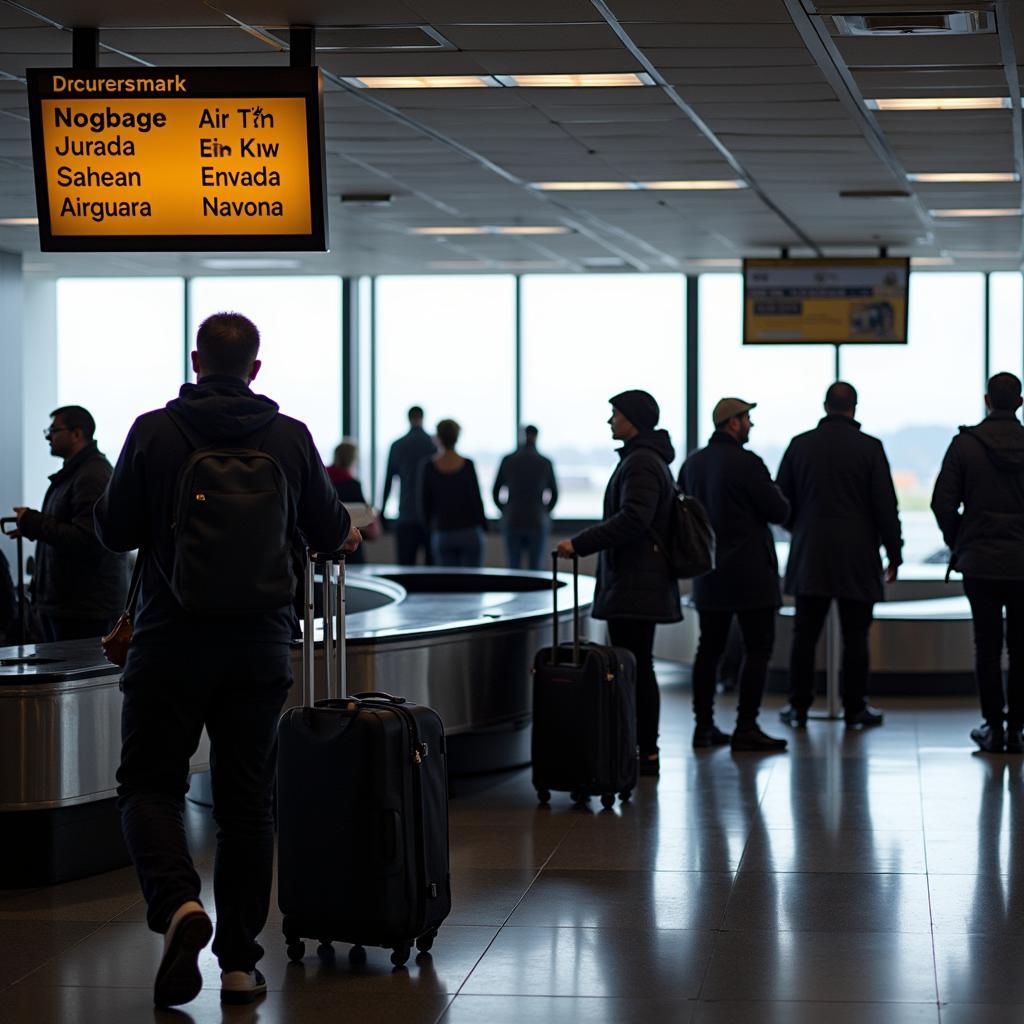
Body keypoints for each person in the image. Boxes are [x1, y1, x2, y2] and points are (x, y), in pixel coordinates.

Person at [94, 313, 360, 1009]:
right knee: (248, 804)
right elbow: (332, 531)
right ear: (256, 368)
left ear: (194, 360)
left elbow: (113, 529)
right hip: (259, 645)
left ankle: (180, 904)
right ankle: (240, 964)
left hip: (169, 640)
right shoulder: (290, 436)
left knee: (149, 785)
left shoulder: (153, 430)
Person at [556, 390, 681, 777]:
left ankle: (642, 750)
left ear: (633, 420)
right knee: (638, 665)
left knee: (634, 666)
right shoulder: (645, 459)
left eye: (615, 414)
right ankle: (642, 749)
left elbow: (634, 519)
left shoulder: (641, 462)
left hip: (635, 583)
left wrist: (580, 543)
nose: (610, 421)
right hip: (639, 582)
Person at [776, 381, 902, 729]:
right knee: (856, 636)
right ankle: (855, 707)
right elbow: (885, 507)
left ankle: (798, 706)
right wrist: (895, 554)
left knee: (804, 635)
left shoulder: (799, 446)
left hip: (811, 552)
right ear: (854, 407)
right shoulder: (870, 448)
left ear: (825, 405)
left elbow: (780, 502)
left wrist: (800, 529)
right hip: (858, 556)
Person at [681, 397, 791, 752]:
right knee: (757, 649)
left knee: (708, 650)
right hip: (751, 574)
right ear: (732, 423)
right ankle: (746, 727)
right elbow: (778, 510)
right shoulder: (748, 464)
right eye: (747, 419)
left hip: (708, 571)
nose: (750, 425)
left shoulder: (692, 465)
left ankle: (703, 727)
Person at [931, 372, 1024, 754]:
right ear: (1019, 402)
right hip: (1022, 565)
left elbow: (942, 503)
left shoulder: (964, 445)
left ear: (988, 400)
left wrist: (961, 539)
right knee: (1021, 648)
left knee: (986, 646)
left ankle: (994, 727)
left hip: (979, 562)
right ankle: (1017, 729)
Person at [12, 405, 127, 641]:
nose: (48, 437)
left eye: (54, 430)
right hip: (72, 607)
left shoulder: (92, 475)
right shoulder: (79, 473)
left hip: (84, 611)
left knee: (79, 677)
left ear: (77, 434)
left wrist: (33, 523)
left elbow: (88, 538)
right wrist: (32, 525)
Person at [418, 418, 487, 566]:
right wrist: (484, 526)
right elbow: (476, 500)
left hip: (443, 531)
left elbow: (425, 504)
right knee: (472, 584)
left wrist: (429, 529)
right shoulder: (468, 465)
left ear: (438, 438)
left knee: (447, 585)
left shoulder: (429, 467)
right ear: (457, 437)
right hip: (469, 531)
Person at [492, 425, 559, 571]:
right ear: (536, 436)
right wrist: (545, 511)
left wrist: (505, 510)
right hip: (536, 518)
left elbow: (496, 491)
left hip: (513, 518)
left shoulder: (508, 460)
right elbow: (554, 493)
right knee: (536, 570)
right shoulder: (544, 462)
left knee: (513, 568)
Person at [381, 406, 437, 565]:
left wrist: (383, 513)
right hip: (431, 517)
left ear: (408, 418)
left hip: (406, 514)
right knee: (432, 572)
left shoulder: (398, 445)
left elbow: (389, 480)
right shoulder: (433, 445)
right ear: (423, 418)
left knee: (405, 568)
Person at [327, 438, 380, 565]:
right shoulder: (352, 485)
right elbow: (366, 521)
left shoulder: (324, 480)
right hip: (349, 547)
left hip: (327, 545)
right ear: (353, 459)